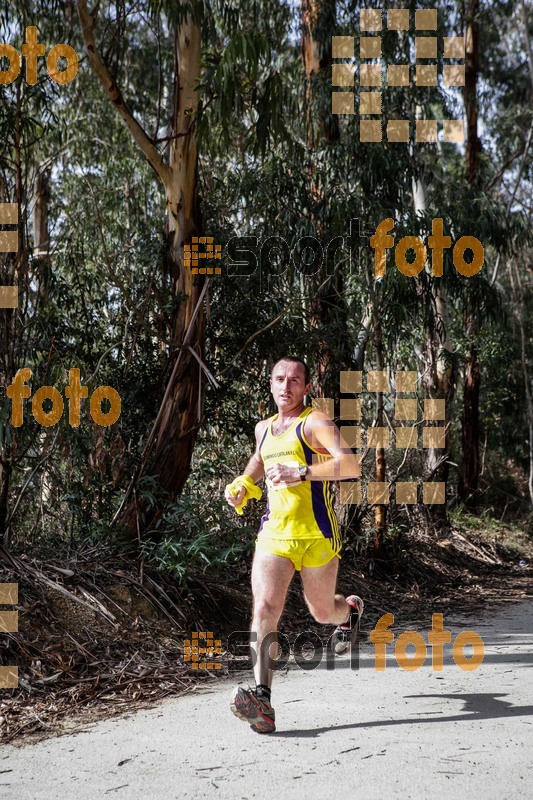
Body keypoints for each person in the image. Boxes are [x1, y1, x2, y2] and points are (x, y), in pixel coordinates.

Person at [225, 356, 363, 734]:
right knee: (265, 607)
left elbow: (349, 465)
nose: (286, 386)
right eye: (280, 379)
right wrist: (242, 486)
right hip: (275, 535)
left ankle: (348, 613)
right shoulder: (264, 429)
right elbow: (259, 460)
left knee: (322, 612)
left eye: (295, 380)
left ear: (305, 387)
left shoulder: (314, 422)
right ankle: (262, 699)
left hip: (317, 534)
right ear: (270, 383)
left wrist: (300, 470)